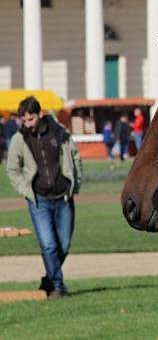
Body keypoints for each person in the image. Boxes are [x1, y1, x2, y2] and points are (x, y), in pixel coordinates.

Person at [5, 96, 82, 299]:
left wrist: (76, 183)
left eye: (30, 119)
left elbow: (75, 157)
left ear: (40, 114)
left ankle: (49, 279)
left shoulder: (60, 132)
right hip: (39, 200)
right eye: (24, 120)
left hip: (63, 197)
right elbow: (12, 169)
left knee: (63, 245)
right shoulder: (19, 139)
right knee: (48, 244)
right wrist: (25, 190)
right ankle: (58, 287)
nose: (26, 124)